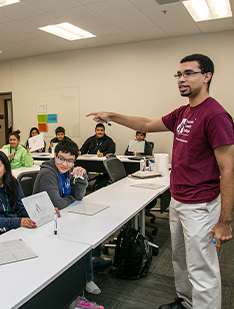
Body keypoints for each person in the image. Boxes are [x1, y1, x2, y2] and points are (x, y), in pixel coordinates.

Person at [87, 54, 234, 309]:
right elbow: (145, 123)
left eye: (188, 73)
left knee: (202, 269)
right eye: (179, 74)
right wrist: (111, 115)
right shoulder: (183, 112)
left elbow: (228, 169)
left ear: (207, 76)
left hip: (201, 205)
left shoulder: (215, 115)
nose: (181, 79)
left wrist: (224, 221)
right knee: (180, 261)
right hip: (179, 199)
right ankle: (187, 302)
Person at [33, 139, 102, 297]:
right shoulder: (48, 173)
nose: (65, 164)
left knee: (84, 233)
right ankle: (79, 282)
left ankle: (87, 278)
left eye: (70, 161)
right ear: (55, 156)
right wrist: (71, 199)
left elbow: (78, 196)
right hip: (44, 223)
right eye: (61, 159)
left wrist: (82, 178)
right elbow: (57, 202)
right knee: (78, 236)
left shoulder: (67, 172)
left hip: (61, 216)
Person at [79, 123, 116, 191]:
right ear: (95, 131)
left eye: (102, 130)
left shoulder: (109, 140)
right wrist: (80, 152)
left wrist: (103, 154)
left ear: (104, 131)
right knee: (81, 167)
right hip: (91, 162)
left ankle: (99, 188)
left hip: (103, 163)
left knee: (106, 172)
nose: (100, 132)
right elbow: (84, 149)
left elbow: (112, 151)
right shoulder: (90, 139)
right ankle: (82, 186)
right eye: (98, 130)